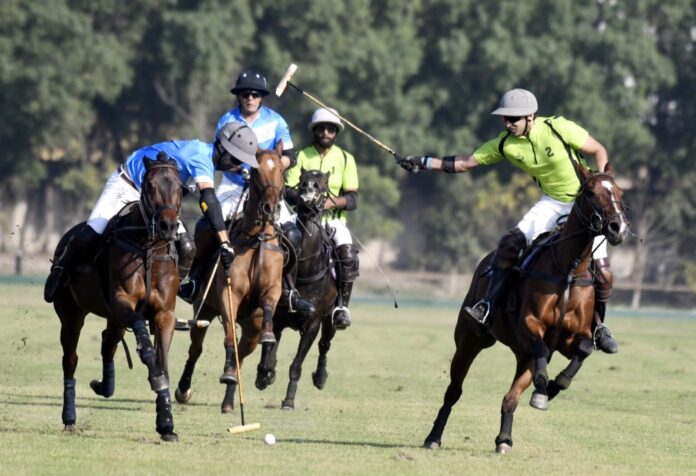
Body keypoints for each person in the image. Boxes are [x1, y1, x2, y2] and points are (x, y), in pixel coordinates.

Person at [398, 88, 618, 353]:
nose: (508, 124)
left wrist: (602, 181)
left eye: (514, 119)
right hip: (553, 203)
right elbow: (466, 163)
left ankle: (599, 327)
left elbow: (598, 149)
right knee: (510, 243)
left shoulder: (559, 127)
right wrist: (423, 162)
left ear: (531, 116)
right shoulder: (505, 144)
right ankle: (487, 306)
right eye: (505, 119)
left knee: (603, 272)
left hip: (585, 204)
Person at [44, 121, 258, 304]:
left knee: (186, 247)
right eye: (237, 160)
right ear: (223, 150)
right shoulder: (200, 158)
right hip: (130, 184)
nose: (236, 166)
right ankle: (61, 269)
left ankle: (170, 296)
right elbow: (209, 201)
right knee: (93, 232)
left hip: (156, 200)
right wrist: (224, 242)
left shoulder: (206, 162)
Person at [207, 68, 314, 315]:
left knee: (293, 234)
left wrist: (273, 168)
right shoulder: (227, 120)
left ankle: (288, 290)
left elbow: (290, 156)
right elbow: (216, 157)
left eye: (255, 94)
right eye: (245, 94)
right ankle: (196, 280)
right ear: (239, 97)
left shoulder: (276, 121)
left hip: (267, 190)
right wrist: (236, 166)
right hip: (234, 185)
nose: (250, 98)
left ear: (261, 97)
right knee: (207, 226)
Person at [285, 107, 360, 330]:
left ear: (336, 132)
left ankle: (342, 307)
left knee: (347, 252)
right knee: (282, 245)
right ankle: (280, 293)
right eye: (321, 128)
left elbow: (353, 199)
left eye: (330, 128)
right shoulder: (299, 156)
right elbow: (287, 190)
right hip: (302, 219)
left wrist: (330, 203)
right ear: (315, 130)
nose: (325, 132)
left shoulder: (346, 159)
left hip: (332, 221)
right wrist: (302, 200)